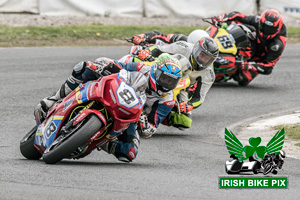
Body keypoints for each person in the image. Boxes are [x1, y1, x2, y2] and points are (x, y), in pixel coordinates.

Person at [35, 53, 182, 162]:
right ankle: (53, 100)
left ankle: (100, 141)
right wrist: (103, 65)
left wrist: (144, 124)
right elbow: (119, 66)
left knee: (129, 153)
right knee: (85, 67)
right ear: (155, 72)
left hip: (131, 116)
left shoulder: (167, 101)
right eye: (164, 78)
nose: (166, 84)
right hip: (116, 91)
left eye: (171, 81)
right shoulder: (142, 68)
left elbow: (151, 129)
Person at [127, 32, 219, 129]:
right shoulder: (183, 47)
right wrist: (148, 52)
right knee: (136, 60)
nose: (203, 60)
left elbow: (199, 98)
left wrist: (189, 105)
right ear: (196, 50)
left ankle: (152, 115)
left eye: (208, 58)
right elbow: (159, 50)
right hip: (162, 70)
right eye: (202, 55)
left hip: (181, 87)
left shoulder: (209, 74)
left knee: (184, 122)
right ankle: (121, 73)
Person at [210, 9, 287, 86]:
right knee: (243, 28)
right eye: (264, 26)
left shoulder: (277, 44)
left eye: (270, 29)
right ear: (260, 22)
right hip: (252, 43)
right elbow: (239, 16)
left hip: (259, 58)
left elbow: (269, 67)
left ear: (277, 29)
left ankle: (226, 74)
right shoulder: (258, 20)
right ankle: (219, 46)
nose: (266, 31)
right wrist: (222, 17)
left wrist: (249, 66)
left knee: (243, 79)